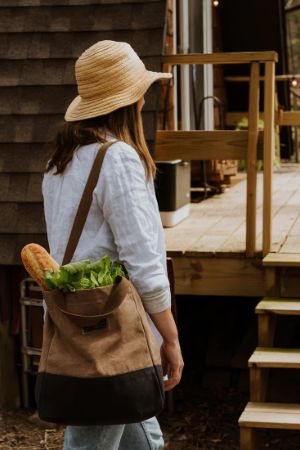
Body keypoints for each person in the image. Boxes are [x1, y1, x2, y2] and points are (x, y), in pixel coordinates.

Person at [42, 40, 184, 450]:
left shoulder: (59, 162)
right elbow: (143, 262)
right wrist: (170, 339)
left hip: (79, 320)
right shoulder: (118, 159)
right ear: (131, 100)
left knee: (145, 442)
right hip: (110, 332)